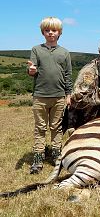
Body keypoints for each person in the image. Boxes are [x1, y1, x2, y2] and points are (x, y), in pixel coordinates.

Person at [27, 17, 72, 174]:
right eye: (47, 30)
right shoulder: (36, 50)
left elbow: (68, 75)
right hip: (40, 96)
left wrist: (68, 94)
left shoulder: (64, 52)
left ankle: (56, 156)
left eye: (54, 30)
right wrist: (31, 71)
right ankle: (38, 160)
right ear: (42, 32)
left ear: (59, 32)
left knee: (56, 127)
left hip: (59, 96)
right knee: (40, 128)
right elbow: (32, 69)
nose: (50, 33)